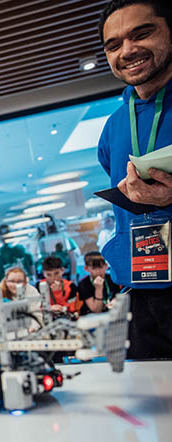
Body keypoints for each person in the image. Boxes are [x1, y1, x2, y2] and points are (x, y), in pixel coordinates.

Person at [97, 0, 172, 358]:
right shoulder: (113, 128)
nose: (127, 50)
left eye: (142, 34)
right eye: (113, 44)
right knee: (149, 409)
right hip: (139, 291)